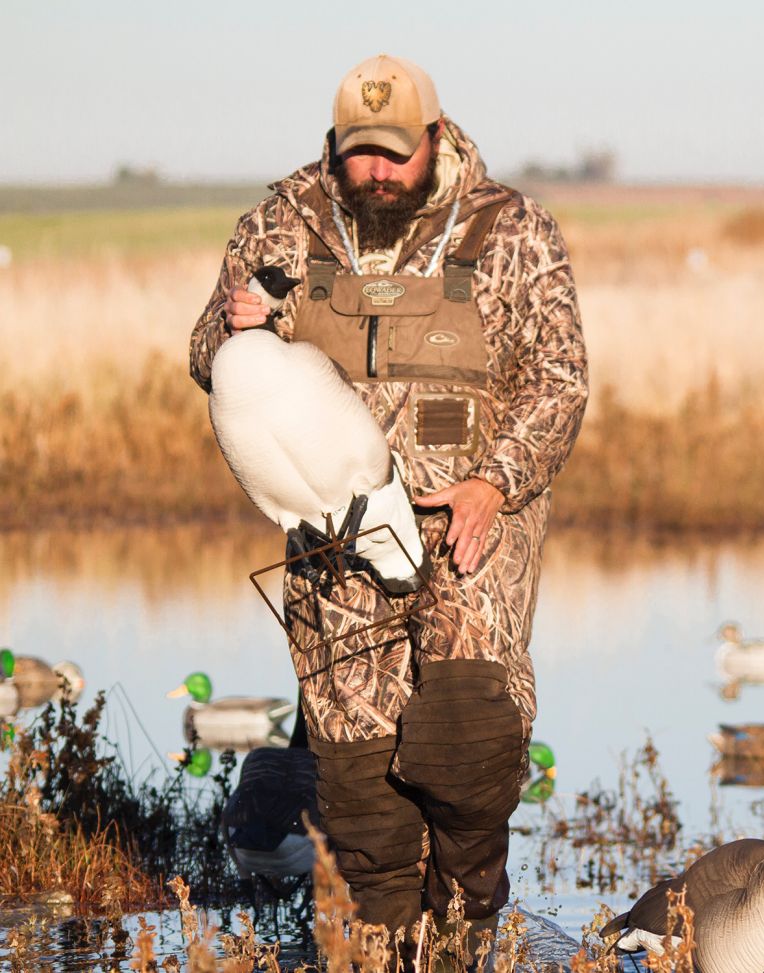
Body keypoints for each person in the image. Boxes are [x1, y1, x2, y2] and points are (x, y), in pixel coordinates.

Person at [188, 54, 588, 949]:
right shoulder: (282, 227)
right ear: (335, 144)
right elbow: (204, 351)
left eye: (394, 154)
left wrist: (496, 483)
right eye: (359, 152)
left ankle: (466, 935)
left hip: (466, 532)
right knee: (360, 799)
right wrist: (232, 329)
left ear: (435, 139)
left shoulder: (511, 230)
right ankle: (385, 952)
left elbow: (561, 381)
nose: (375, 171)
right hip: (333, 540)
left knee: (463, 745)